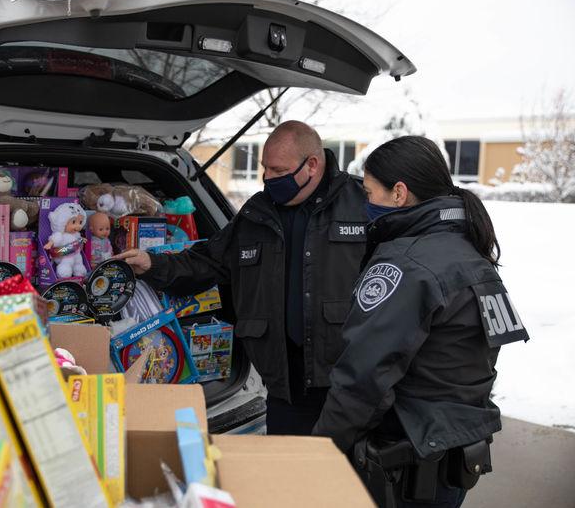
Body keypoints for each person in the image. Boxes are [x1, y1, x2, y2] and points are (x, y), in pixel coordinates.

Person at [312, 136, 529, 508]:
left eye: (369, 193)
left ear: (399, 193)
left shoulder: (405, 264)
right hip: (454, 459)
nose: (366, 205)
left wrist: (317, 450)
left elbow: (364, 379)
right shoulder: (470, 254)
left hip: (407, 468)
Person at [117, 120, 368, 435]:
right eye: (265, 169)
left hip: (346, 385)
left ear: (312, 165)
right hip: (283, 388)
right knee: (284, 476)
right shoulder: (257, 212)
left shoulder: (362, 203)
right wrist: (151, 263)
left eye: (278, 171)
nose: (268, 179)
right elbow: (207, 261)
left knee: (345, 479)